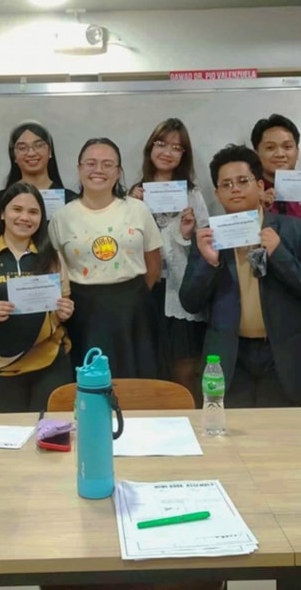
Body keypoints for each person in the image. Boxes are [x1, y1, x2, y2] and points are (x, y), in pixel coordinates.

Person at [179, 144, 301, 407]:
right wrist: (210, 263)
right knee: (232, 431)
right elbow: (190, 302)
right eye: (226, 184)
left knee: (276, 430)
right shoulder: (207, 237)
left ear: (260, 186)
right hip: (230, 356)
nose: (235, 189)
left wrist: (280, 254)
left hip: (282, 356)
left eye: (243, 181)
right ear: (217, 193)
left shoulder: (295, 230)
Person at [48, 138, 162, 378]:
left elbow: (153, 264)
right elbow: (56, 271)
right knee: (91, 381)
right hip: (84, 310)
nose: (98, 170)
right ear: (79, 169)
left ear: (118, 172)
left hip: (134, 308)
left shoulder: (137, 209)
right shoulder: (62, 217)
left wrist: (132, 295)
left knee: (139, 381)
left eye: (107, 164)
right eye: (90, 163)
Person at [0, 182, 75, 411]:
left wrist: (65, 310)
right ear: (2, 213)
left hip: (51, 362)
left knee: (51, 429)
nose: (24, 218)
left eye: (33, 212)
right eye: (17, 209)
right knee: (9, 430)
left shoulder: (52, 257)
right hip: (1, 366)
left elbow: (65, 302)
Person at [129, 118, 209, 397]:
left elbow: (206, 244)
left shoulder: (192, 194)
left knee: (184, 369)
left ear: (184, 155)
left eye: (176, 147)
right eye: (161, 144)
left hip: (180, 289)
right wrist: (134, 208)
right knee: (149, 367)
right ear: (150, 148)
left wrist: (188, 233)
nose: (167, 152)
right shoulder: (134, 194)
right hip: (145, 287)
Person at [0, 121, 78, 247]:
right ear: (13, 155)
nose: (31, 153)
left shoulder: (71, 201)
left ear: (50, 151)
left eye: (38, 145)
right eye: (22, 148)